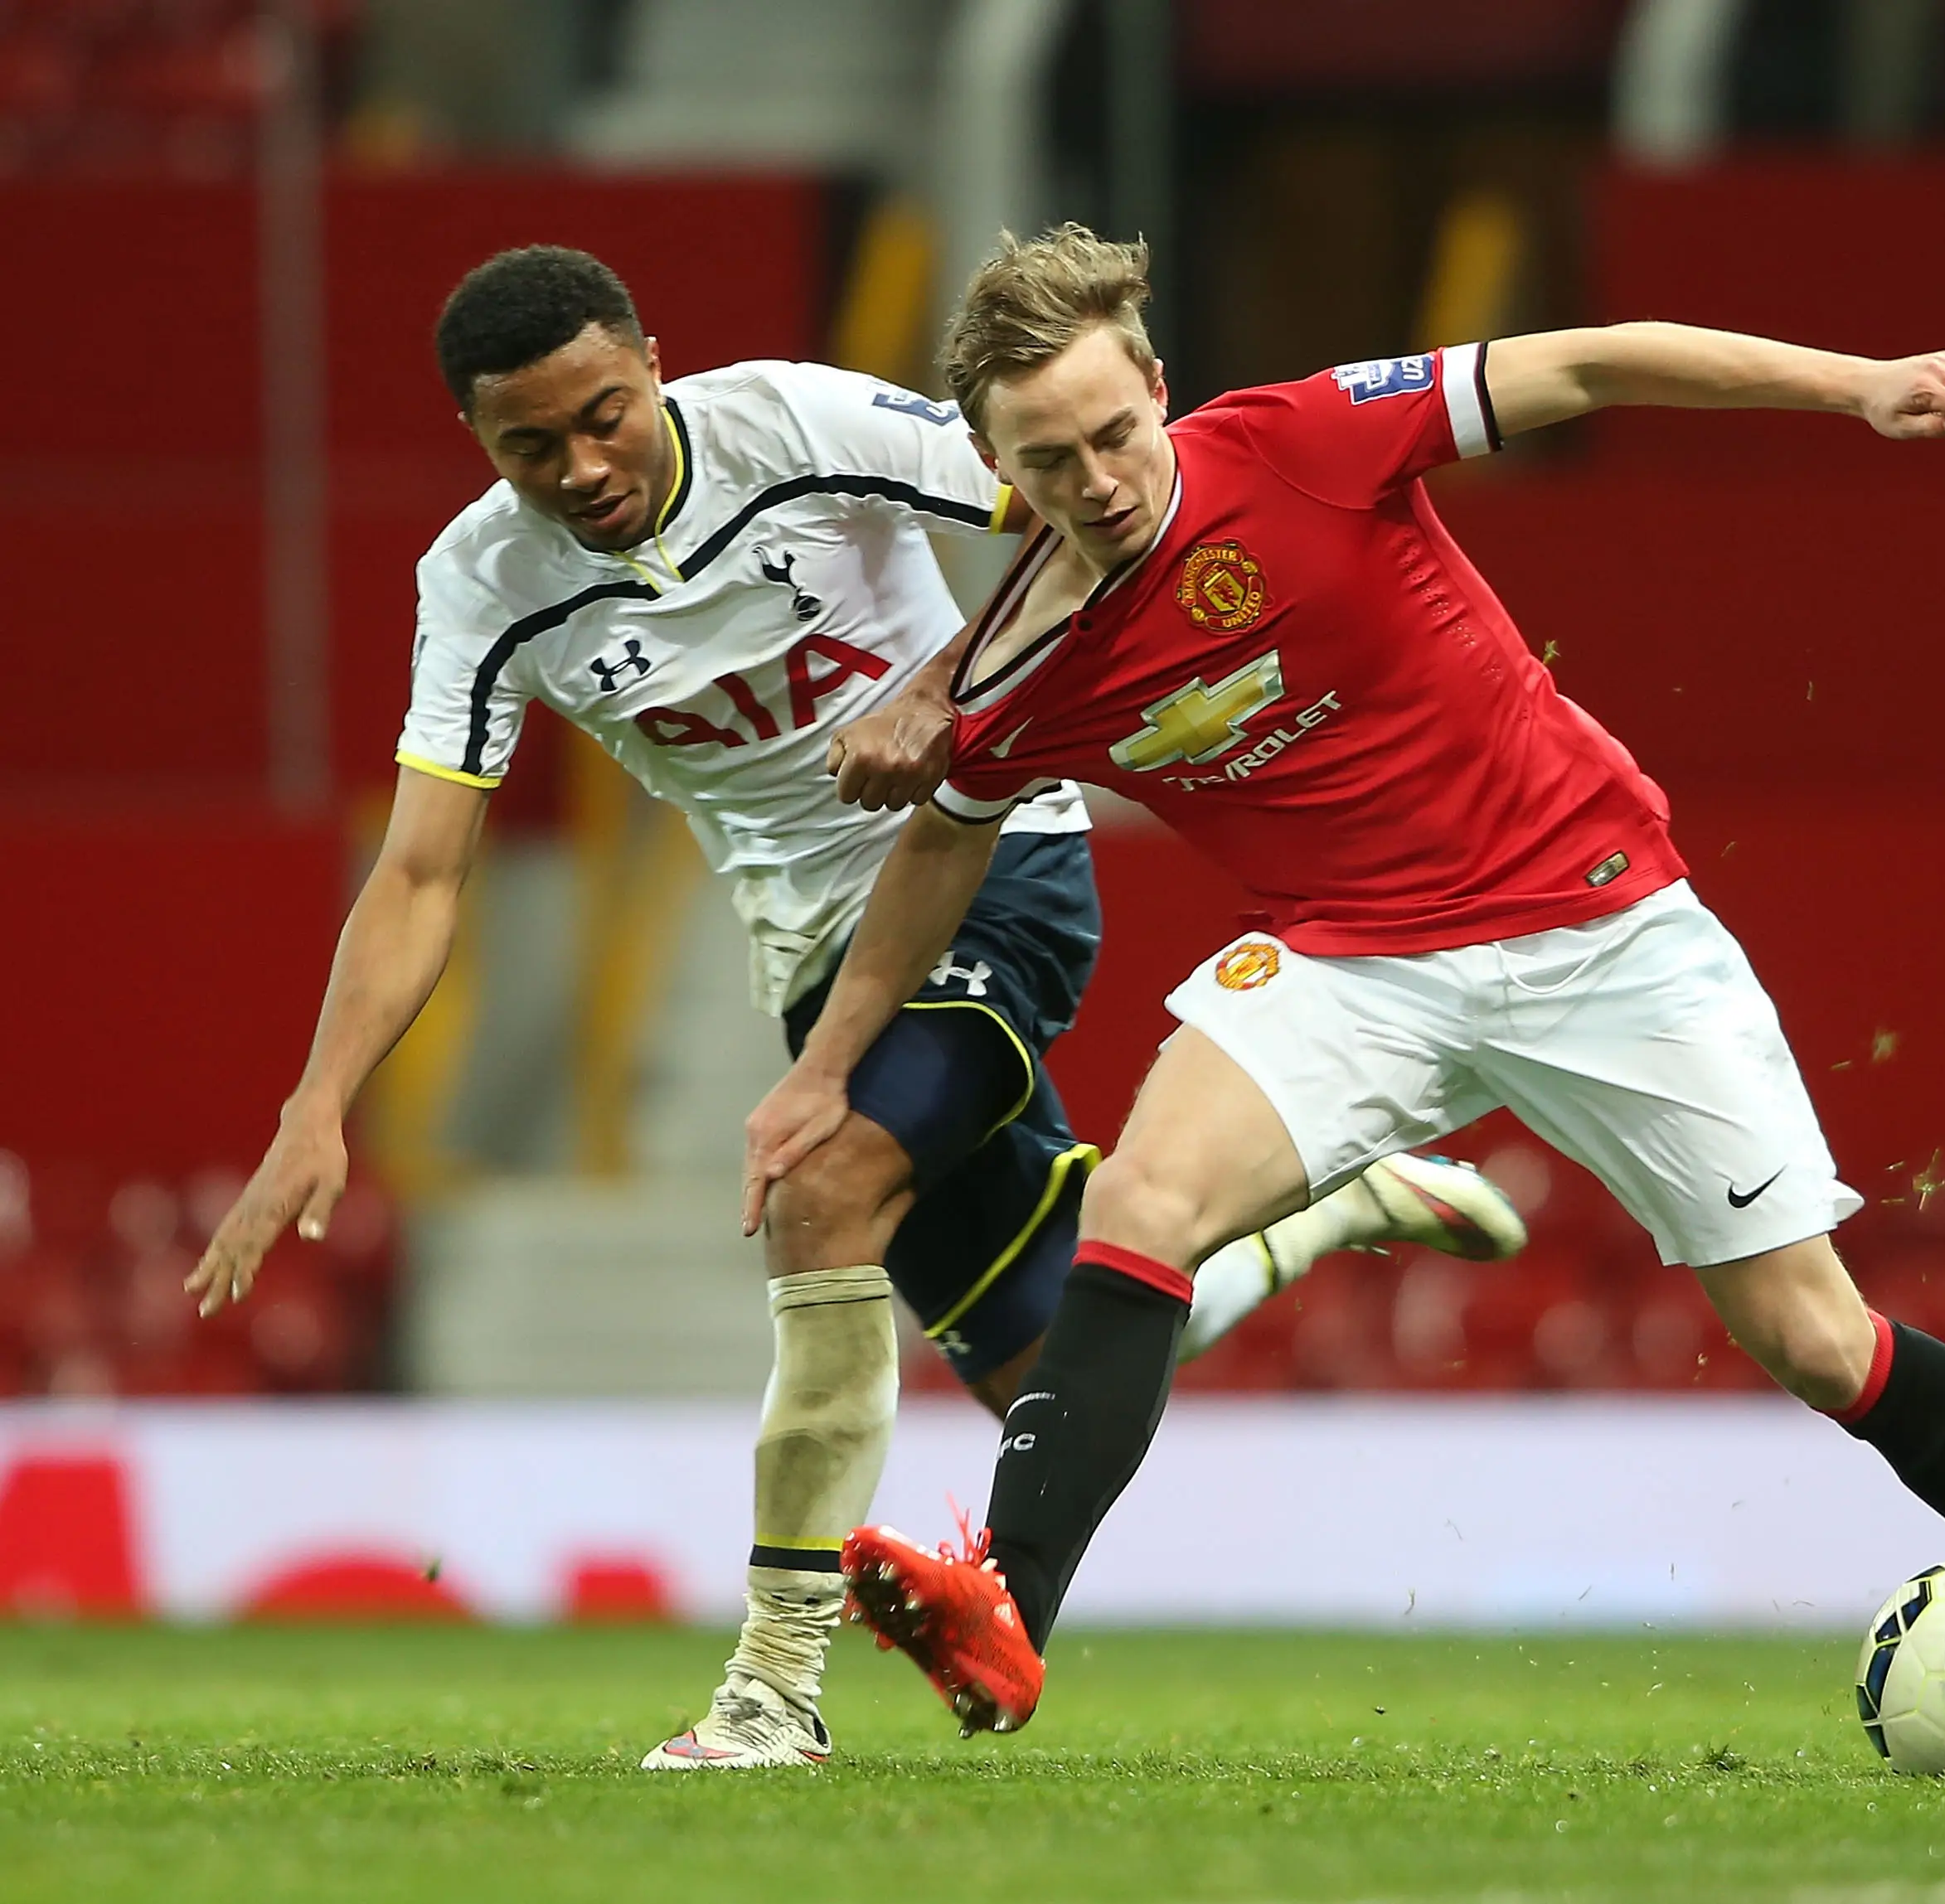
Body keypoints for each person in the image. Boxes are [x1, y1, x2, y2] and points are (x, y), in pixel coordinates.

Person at [778, 225, 1945, 1776]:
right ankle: (1011, 1613)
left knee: (1812, 1338)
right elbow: (935, 850)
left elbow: (1585, 362)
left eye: (1117, 433)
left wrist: (1860, 387)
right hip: (1346, 957)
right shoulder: (1018, 675)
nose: (1099, 479)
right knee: (1144, 1204)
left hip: (1597, 923)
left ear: (1159, 389)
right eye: (1051, 463)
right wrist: (825, 1068)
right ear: (997, 466)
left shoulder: (1303, 439)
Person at [182, 245, 1527, 1772]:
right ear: (483, 446)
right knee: (1044, 1365)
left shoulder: (799, 423)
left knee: (823, 1191)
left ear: (654, 364)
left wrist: (949, 687)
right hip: (813, 954)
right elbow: (424, 872)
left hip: (990, 865)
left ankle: (774, 1688)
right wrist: (318, 1103)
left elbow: (1084, 521)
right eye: (532, 447)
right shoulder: (484, 582)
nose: (584, 466)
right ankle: (1318, 1214)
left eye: (606, 416)